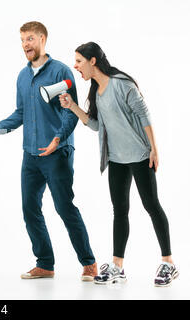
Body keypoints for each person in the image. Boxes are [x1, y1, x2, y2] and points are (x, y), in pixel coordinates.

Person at [0, 21, 97, 281]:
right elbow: (21, 114)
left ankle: (89, 263)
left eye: (29, 39)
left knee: (64, 208)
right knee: (30, 209)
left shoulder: (61, 72)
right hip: (30, 156)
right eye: (22, 40)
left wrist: (58, 139)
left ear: (42, 39)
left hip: (57, 153)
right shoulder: (23, 76)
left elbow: (70, 112)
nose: (25, 45)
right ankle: (45, 264)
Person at [59, 42, 178, 286]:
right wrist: (72, 106)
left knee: (151, 206)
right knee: (119, 211)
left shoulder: (122, 83)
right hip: (116, 159)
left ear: (93, 61)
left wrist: (154, 148)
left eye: (79, 61)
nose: (75, 66)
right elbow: (95, 126)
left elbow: (144, 114)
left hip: (140, 155)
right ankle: (118, 266)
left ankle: (168, 262)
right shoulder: (96, 90)